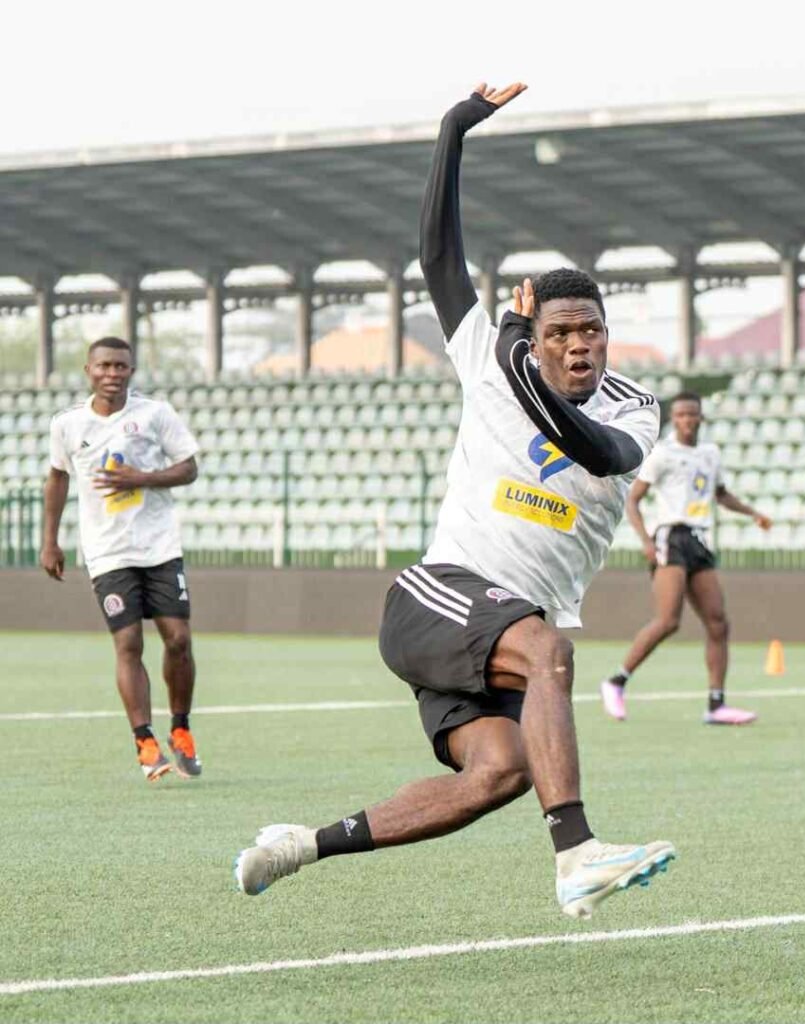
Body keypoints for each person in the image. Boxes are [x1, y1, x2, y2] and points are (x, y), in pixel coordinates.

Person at [234, 82, 674, 919]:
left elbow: (595, 450)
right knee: (548, 652)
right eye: (558, 333)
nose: (578, 345)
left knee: (500, 774)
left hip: (498, 626)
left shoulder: (632, 407)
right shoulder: (489, 354)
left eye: (590, 330)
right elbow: (438, 256)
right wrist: (453, 130)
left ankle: (300, 845)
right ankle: (577, 853)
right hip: (440, 597)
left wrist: (515, 351)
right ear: (535, 336)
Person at [41, 336, 202, 781]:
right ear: (88, 370)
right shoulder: (68, 424)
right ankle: (145, 741)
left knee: (178, 640)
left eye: (120, 366)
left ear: (131, 370)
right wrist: (50, 541)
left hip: (160, 547)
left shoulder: (155, 414)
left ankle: (181, 729)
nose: (112, 373)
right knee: (128, 643)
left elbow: (189, 467)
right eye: (104, 366)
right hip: (108, 552)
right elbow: (57, 478)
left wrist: (142, 478)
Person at [599, 393, 772, 725]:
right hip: (671, 537)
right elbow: (633, 500)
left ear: (701, 418)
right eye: (680, 415)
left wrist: (753, 514)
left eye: (692, 414)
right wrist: (646, 541)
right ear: (674, 419)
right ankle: (616, 682)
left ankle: (716, 704)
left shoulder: (710, 454)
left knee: (718, 622)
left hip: (698, 538)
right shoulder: (663, 454)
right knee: (668, 620)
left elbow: (720, 494)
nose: (687, 420)